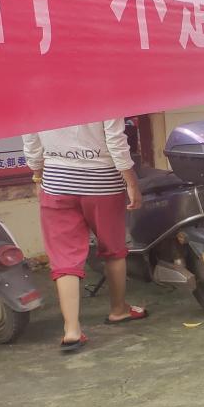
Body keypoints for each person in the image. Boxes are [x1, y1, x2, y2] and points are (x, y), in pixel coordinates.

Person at [22, 120, 145, 351]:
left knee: (64, 259)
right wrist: (131, 182)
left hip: (57, 183)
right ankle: (118, 309)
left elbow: (31, 140)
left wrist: (37, 176)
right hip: (103, 182)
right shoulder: (104, 97)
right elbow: (116, 141)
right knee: (113, 249)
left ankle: (71, 330)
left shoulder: (36, 99)